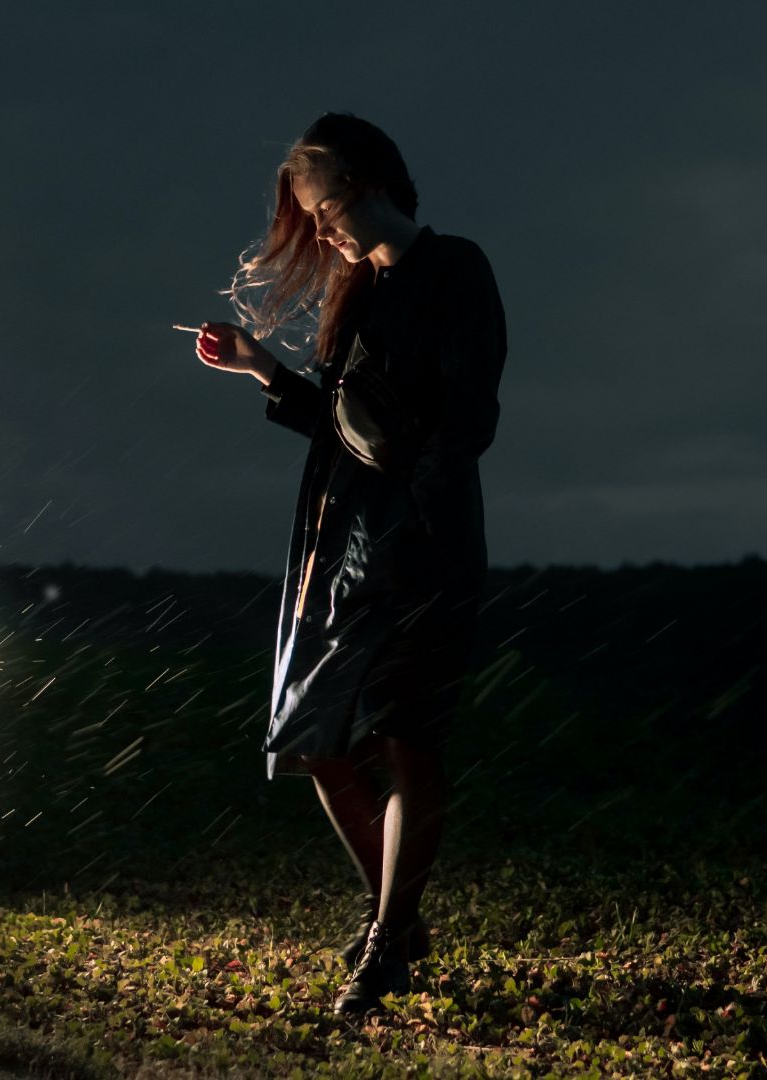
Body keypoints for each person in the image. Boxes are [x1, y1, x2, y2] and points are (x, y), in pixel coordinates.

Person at [186, 112, 506, 1017]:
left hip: (425, 547)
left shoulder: (457, 270)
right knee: (315, 741)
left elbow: (469, 421)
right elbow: (339, 426)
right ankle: (398, 921)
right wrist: (260, 369)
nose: (318, 230)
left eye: (321, 209)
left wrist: (415, 505)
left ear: (365, 186)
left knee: (408, 738)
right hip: (341, 549)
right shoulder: (357, 293)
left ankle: (384, 943)